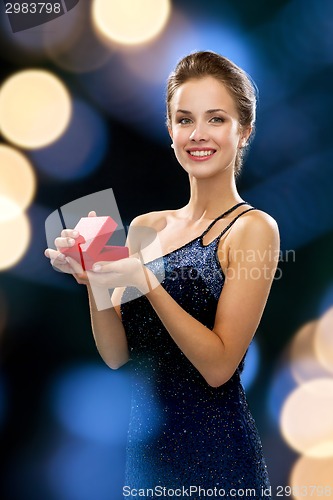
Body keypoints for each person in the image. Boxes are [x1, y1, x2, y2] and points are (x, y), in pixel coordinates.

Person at [45, 51, 279, 499]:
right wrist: (94, 278)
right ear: (170, 130)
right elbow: (117, 355)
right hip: (149, 450)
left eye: (216, 119)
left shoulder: (254, 229)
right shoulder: (146, 227)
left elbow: (218, 367)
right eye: (184, 119)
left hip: (218, 458)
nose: (198, 135)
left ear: (243, 130)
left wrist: (148, 281)